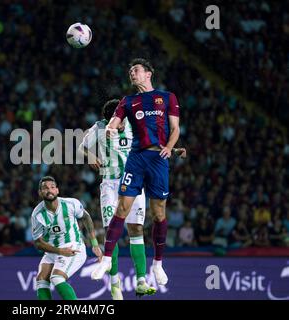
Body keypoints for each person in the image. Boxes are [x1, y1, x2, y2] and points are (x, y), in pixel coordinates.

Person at [80, 99, 186, 298]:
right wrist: (90, 156)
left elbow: (155, 145)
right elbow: (81, 147)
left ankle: (141, 281)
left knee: (136, 228)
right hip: (110, 185)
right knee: (111, 230)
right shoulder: (99, 127)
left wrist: (175, 150)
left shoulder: (135, 126)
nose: (116, 126)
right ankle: (114, 284)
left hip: (133, 181)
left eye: (118, 122)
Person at [91, 58, 181, 287]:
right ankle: (107, 257)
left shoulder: (167, 98)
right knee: (122, 208)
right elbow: (113, 122)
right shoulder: (128, 101)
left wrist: (170, 148)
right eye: (130, 71)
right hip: (136, 158)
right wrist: (111, 130)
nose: (132, 73)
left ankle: (158, 263)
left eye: (136, 70)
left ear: (148, 74)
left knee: (158, 213)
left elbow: (175, 128)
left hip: (158, 158)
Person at [31, 176, 102, 300]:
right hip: (53, 250)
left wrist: (94, 243)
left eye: (52, 187)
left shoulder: (71, 204)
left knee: (56, 277)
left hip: (73, 246)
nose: (49, 190)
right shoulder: (37, 215)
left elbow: (86, 217)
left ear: (57, 190)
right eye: (45, 188)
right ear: (40, 192)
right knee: (41, 280)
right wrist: (59, 251)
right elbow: (38, 243)